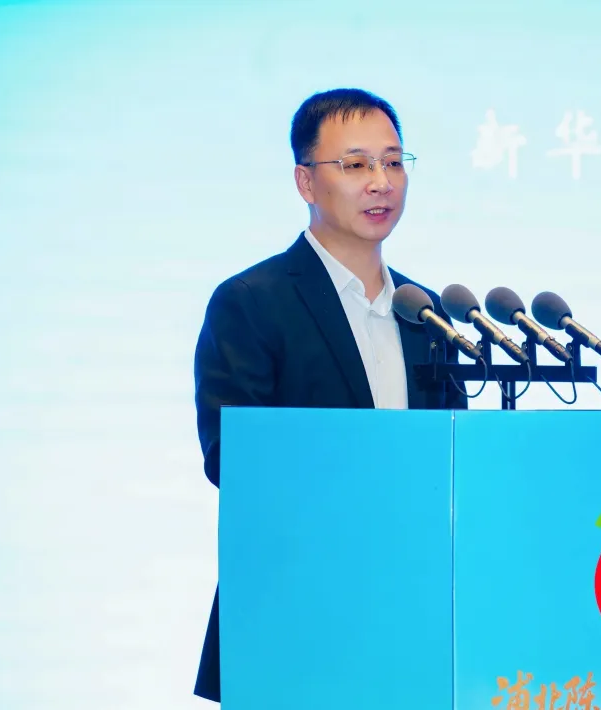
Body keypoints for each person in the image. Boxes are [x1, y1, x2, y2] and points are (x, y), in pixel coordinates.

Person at [190, 87, 468, 703]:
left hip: (414, 620)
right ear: (305, 182)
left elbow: (456, 463)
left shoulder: (428, 315)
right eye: (356, 164)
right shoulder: (251, 302)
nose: (381, 182)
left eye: (393, 162)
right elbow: (233, 458)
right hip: (295, 617)